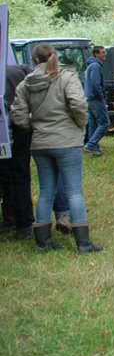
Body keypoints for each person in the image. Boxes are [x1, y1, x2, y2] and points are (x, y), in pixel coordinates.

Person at [10, 43, 103, 253]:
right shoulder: (67, 77)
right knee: (74, 191)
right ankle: (83, 243)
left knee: (46, 191)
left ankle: (43, 242)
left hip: (40, 142)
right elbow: (78, 104)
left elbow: (17, 114)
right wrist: (80, 125)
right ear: (55, 56)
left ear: (35, 59)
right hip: (67, 140)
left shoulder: (26, 82)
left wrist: (32, 127)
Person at [1, 63, 34, 240]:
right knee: (21, 176)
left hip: (6, 130)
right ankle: (24, 224)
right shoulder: (20, 70)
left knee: (6, 177)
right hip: (21, 129)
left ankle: (10, 219)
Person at [83, 45, 109, 157]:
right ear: (96, 54)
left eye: (105, 52)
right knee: (105, 123)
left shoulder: (91, 65)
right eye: (102, 52)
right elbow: (95, 84)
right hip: (95, 99)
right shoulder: (96, 66)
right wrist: (101, 96)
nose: (105, 54)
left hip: (89, 98)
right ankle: (91, 144)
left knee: (93, 123)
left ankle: (94, 147)